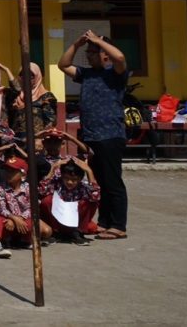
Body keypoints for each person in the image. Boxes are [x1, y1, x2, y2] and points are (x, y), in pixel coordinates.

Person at [58, 30, 129, 240]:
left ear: (105, 55)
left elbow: (120, 57)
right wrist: (76, 44)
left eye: (92, 52)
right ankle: (104, 222)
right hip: (91, 135)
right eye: (87, 52)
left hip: (110, 135)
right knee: (100, 181)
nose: (88, 56)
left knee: (112, 181)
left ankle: (118, 225)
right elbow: (63, 65)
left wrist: (99, 40)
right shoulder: (86, 74)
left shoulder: (116, 73)